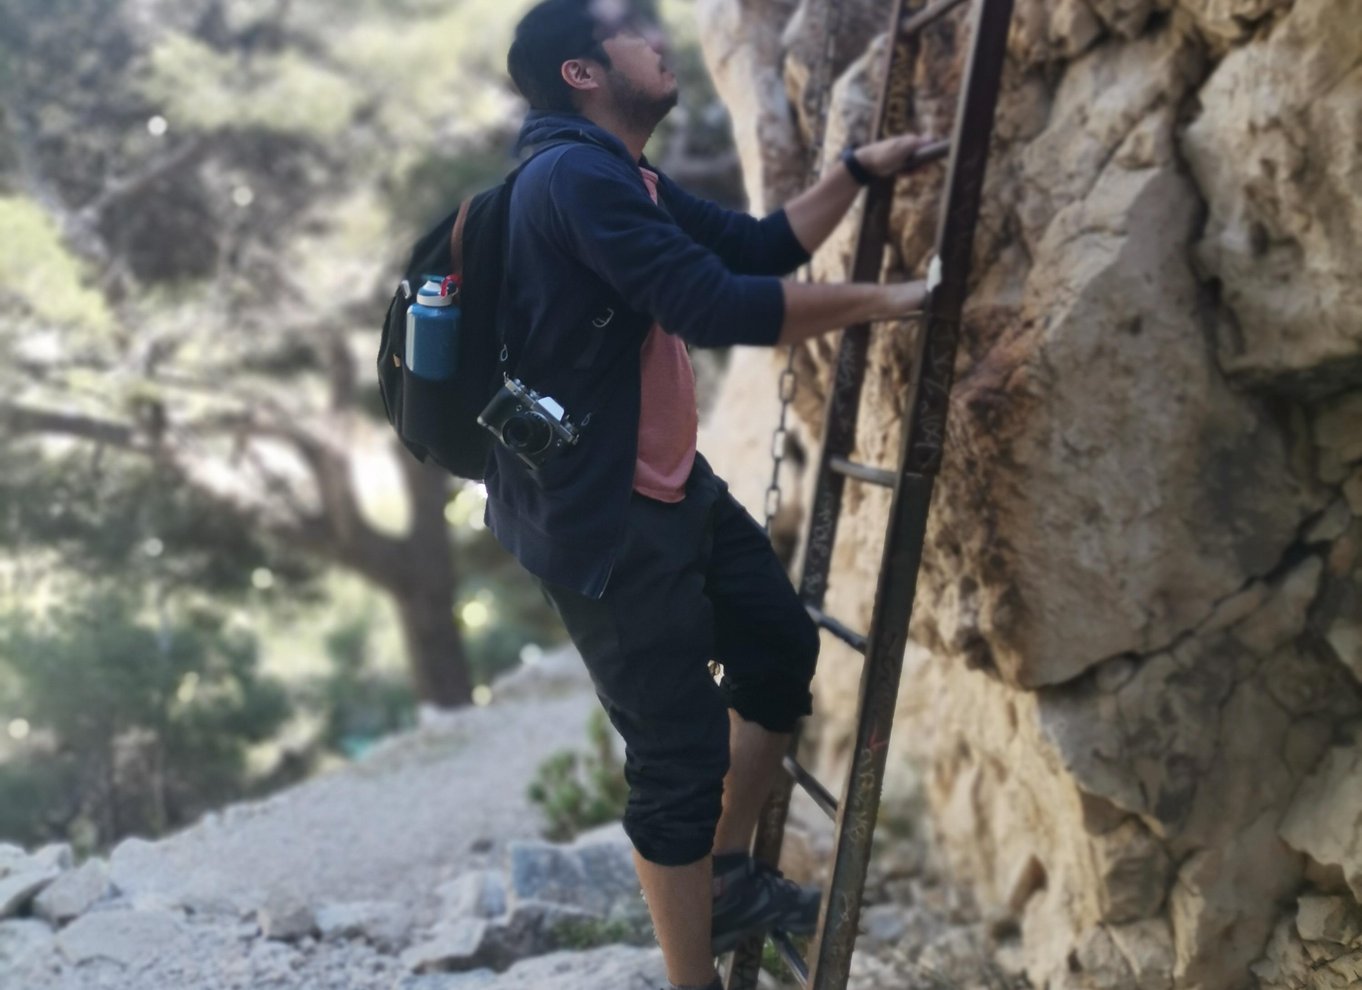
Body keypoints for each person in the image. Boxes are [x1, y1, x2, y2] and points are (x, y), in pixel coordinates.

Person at [494, 2, 930, 987]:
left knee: (779, 648)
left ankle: (725, 875)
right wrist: (891, 301)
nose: (656, 36)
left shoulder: (625, 174)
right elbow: (720, 307)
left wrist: (858, 173)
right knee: (676, 758)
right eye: (630, 28)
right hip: (600, 521)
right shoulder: (572, 178)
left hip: (668, 487)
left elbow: (760, 249)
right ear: (582, 72)